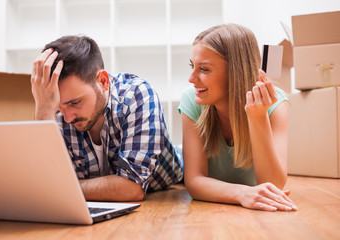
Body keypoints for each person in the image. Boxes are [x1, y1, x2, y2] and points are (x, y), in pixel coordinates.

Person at [30, 35, 183, 202]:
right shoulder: (55, 111)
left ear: (103, 82)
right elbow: (44, 184)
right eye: (59, 107)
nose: (67, 118)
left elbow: (132, 188)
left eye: (75, 102)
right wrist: (44, 113)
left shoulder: (137, 94)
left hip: (172, 181)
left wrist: (62, 188)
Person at [178, 24, 298, 211]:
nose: (191, 78)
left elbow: (273, 184)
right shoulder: (192, 100)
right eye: (192, 66)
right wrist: (243, 193)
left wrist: (258, 117)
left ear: (235, 71)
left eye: (204, 69)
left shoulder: (275, 104)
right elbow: (194, 181)